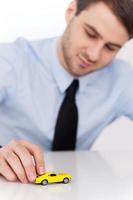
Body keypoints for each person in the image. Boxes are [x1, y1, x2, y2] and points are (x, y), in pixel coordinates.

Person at [0, 0, 133, 183]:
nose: (93, 55)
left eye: (110, 48)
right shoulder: (9, 61)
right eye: (90, 34)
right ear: (71, 12)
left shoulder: (122, 79)